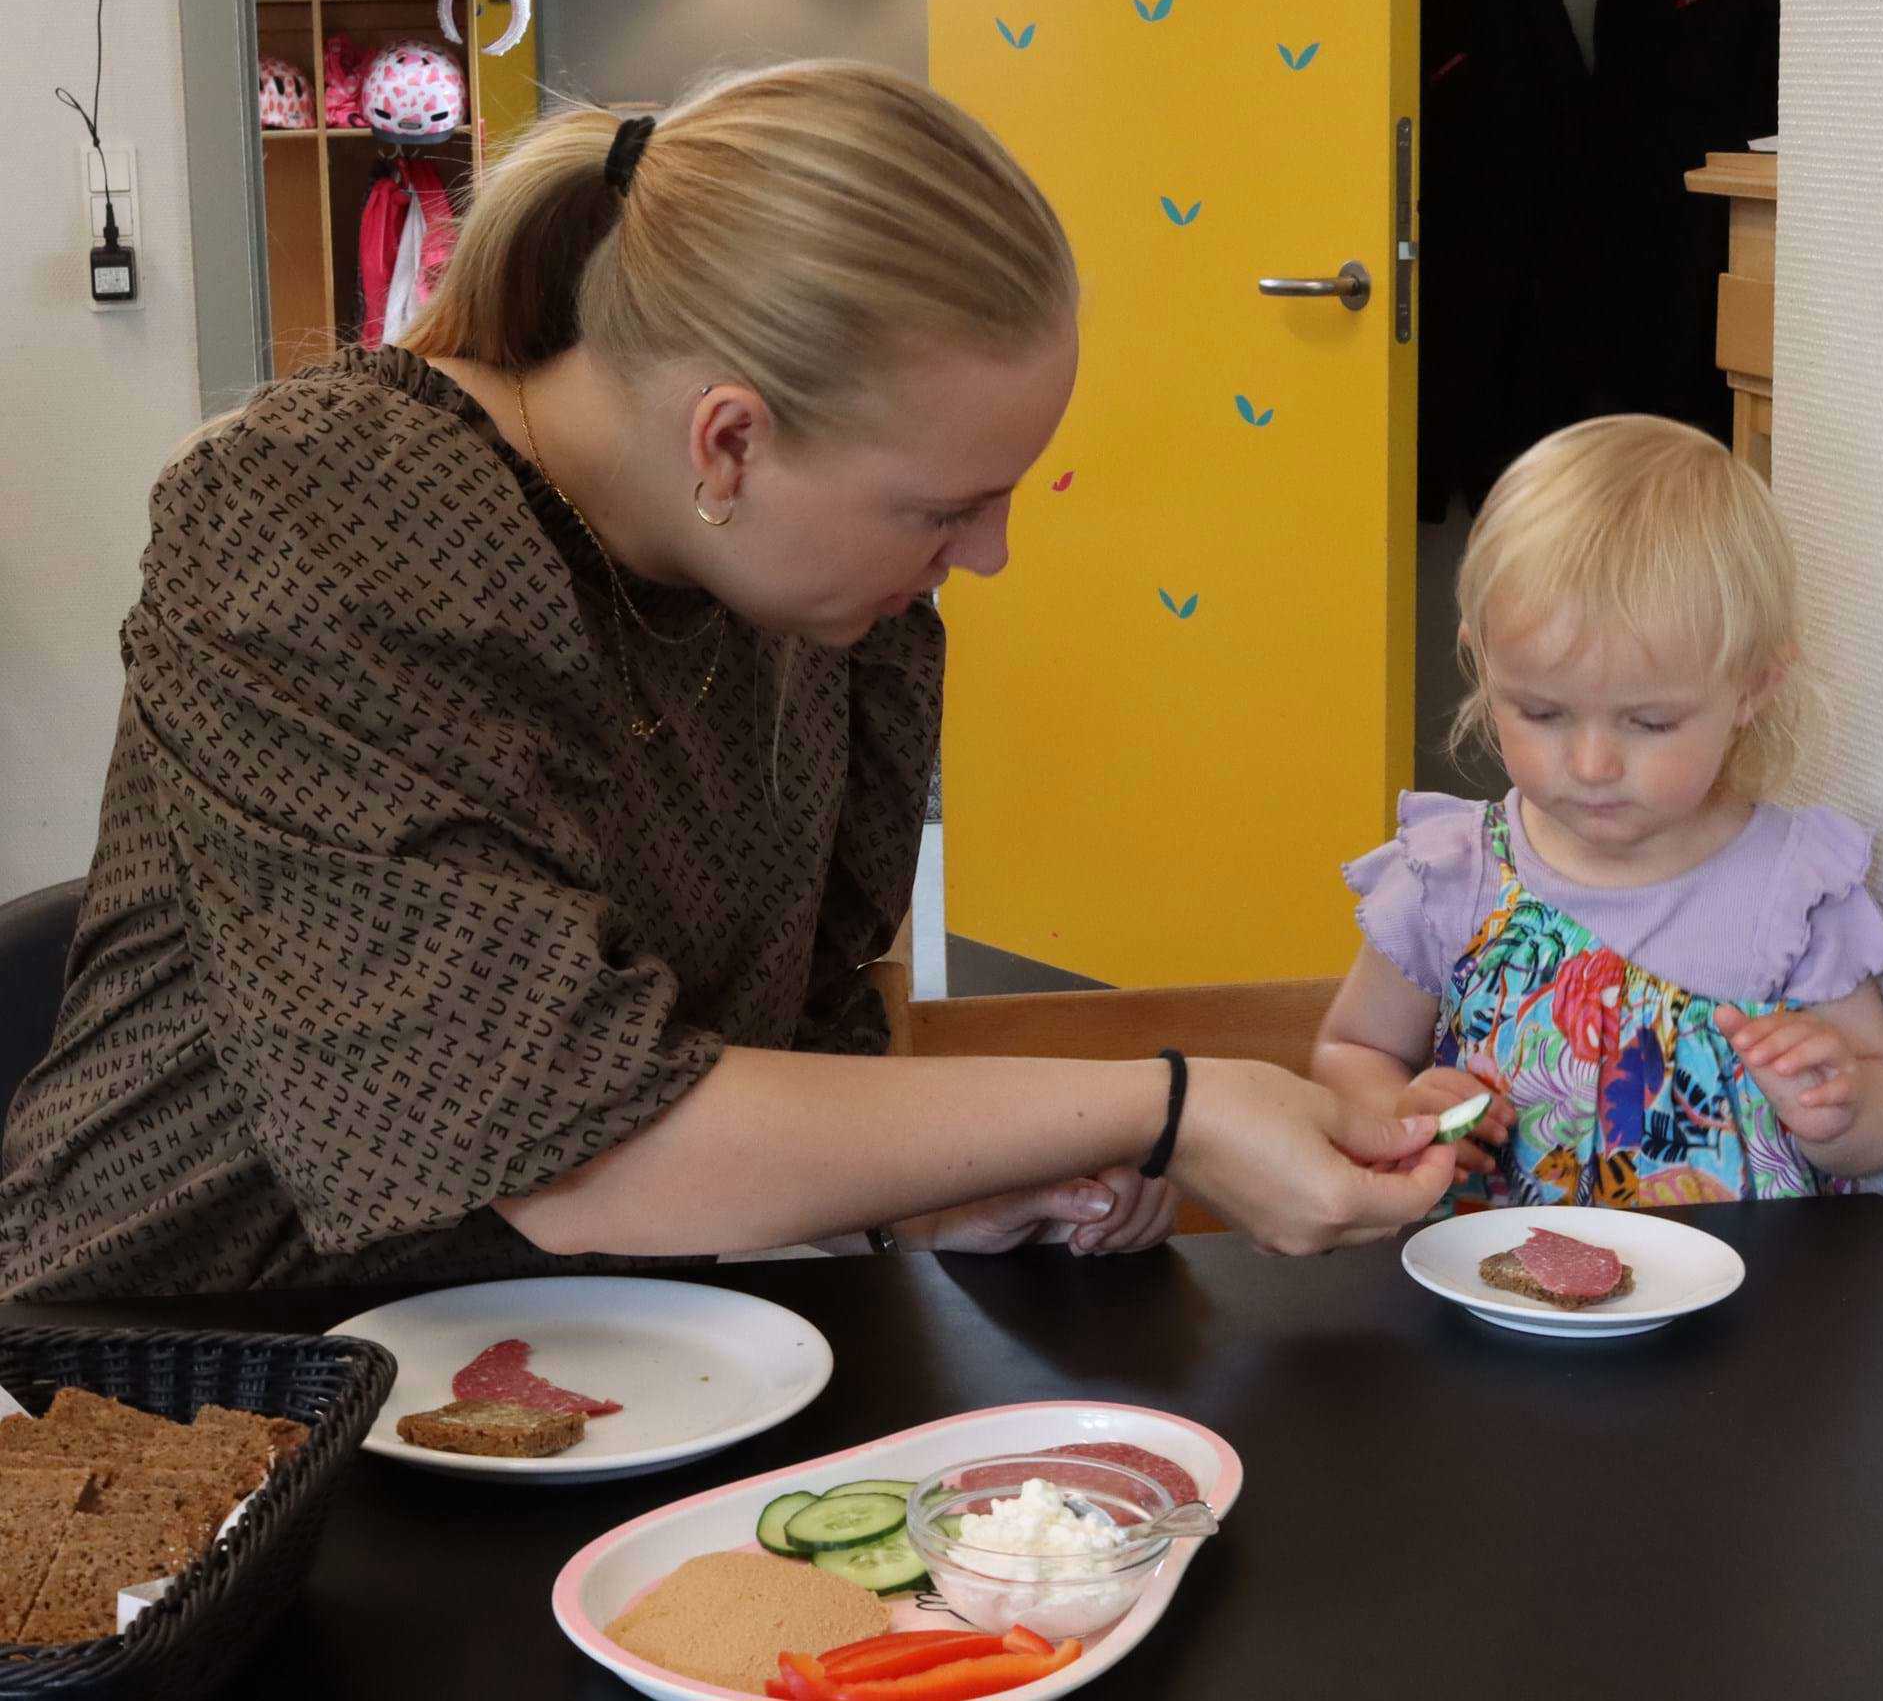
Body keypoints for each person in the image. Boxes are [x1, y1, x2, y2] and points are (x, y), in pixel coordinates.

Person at [1, 63, 1455, 1300]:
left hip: (600, 1361)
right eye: (946, 507)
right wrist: (1170, 1104)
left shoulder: (824, 611)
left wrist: (935, 1190)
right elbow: (575, 1147)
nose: (990, 554)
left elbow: (802, 1042)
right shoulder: (321, 529)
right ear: (729, 444)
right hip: (192, 1373)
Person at [1314, 414, 1883, 1210]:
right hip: (1496, 1298)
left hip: (1746, 1317)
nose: (1592, 766)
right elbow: (1350, 1048)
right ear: (1483, 662)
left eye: (1650, 723)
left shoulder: (1797, 890)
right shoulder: (1451, 875)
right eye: (1543, 713)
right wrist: (1397, 1107)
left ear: (1753, 689)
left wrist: (1839, 1107)